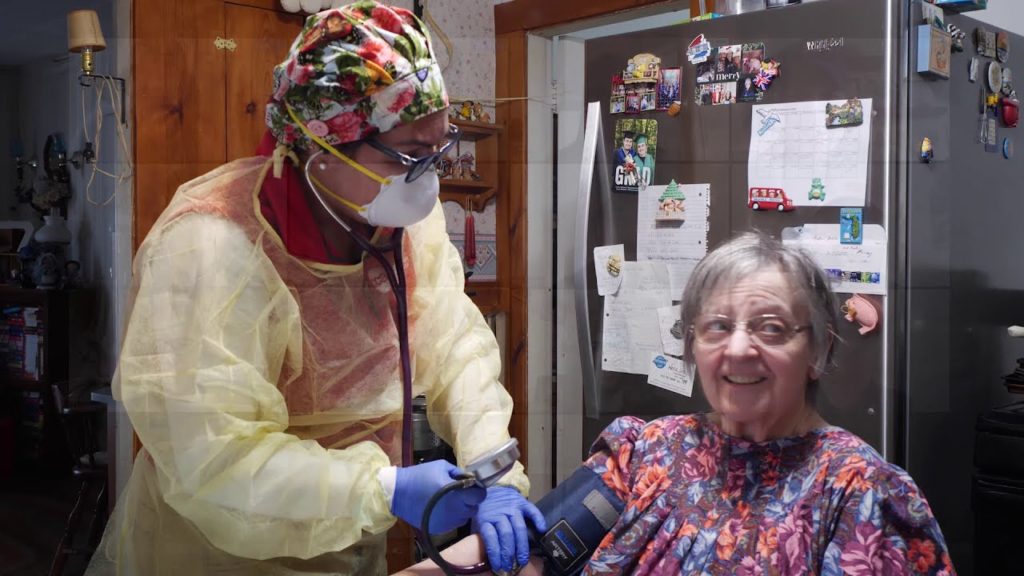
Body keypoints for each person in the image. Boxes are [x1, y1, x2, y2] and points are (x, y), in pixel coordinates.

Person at [84, 3, 541, 575]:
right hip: (218, 550)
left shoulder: (401, 225)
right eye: (411, 157)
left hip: (348, 546)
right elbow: (214, 457)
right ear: (320, 145)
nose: (431, 179)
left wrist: (494, 470)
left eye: (440, 151)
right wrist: (379, 489)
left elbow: (456, 351)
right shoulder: (212, 246)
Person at [398, 232, 956, 576]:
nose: (739, 347)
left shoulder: (861, 494)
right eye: (717, 326)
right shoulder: (649, 451)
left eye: (771, 327)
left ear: (818, 350)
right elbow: (531, 555)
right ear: (693, 345)